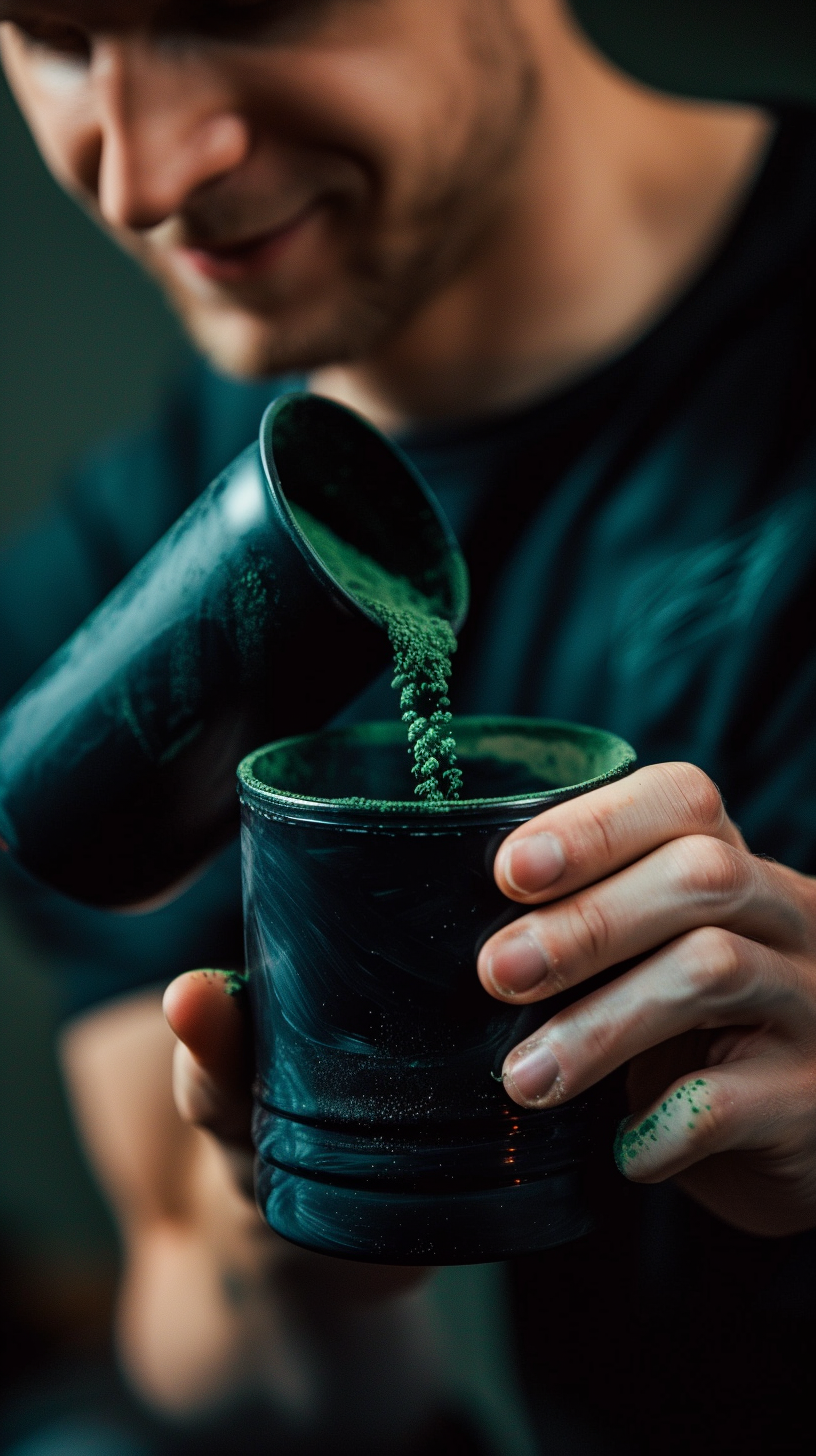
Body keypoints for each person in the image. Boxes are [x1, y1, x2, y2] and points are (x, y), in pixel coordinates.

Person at [2, 1, 816, 1451]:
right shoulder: (147, 605)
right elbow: (234, 1362)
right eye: (53, 32)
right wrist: (278, 1218)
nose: (138, 175)